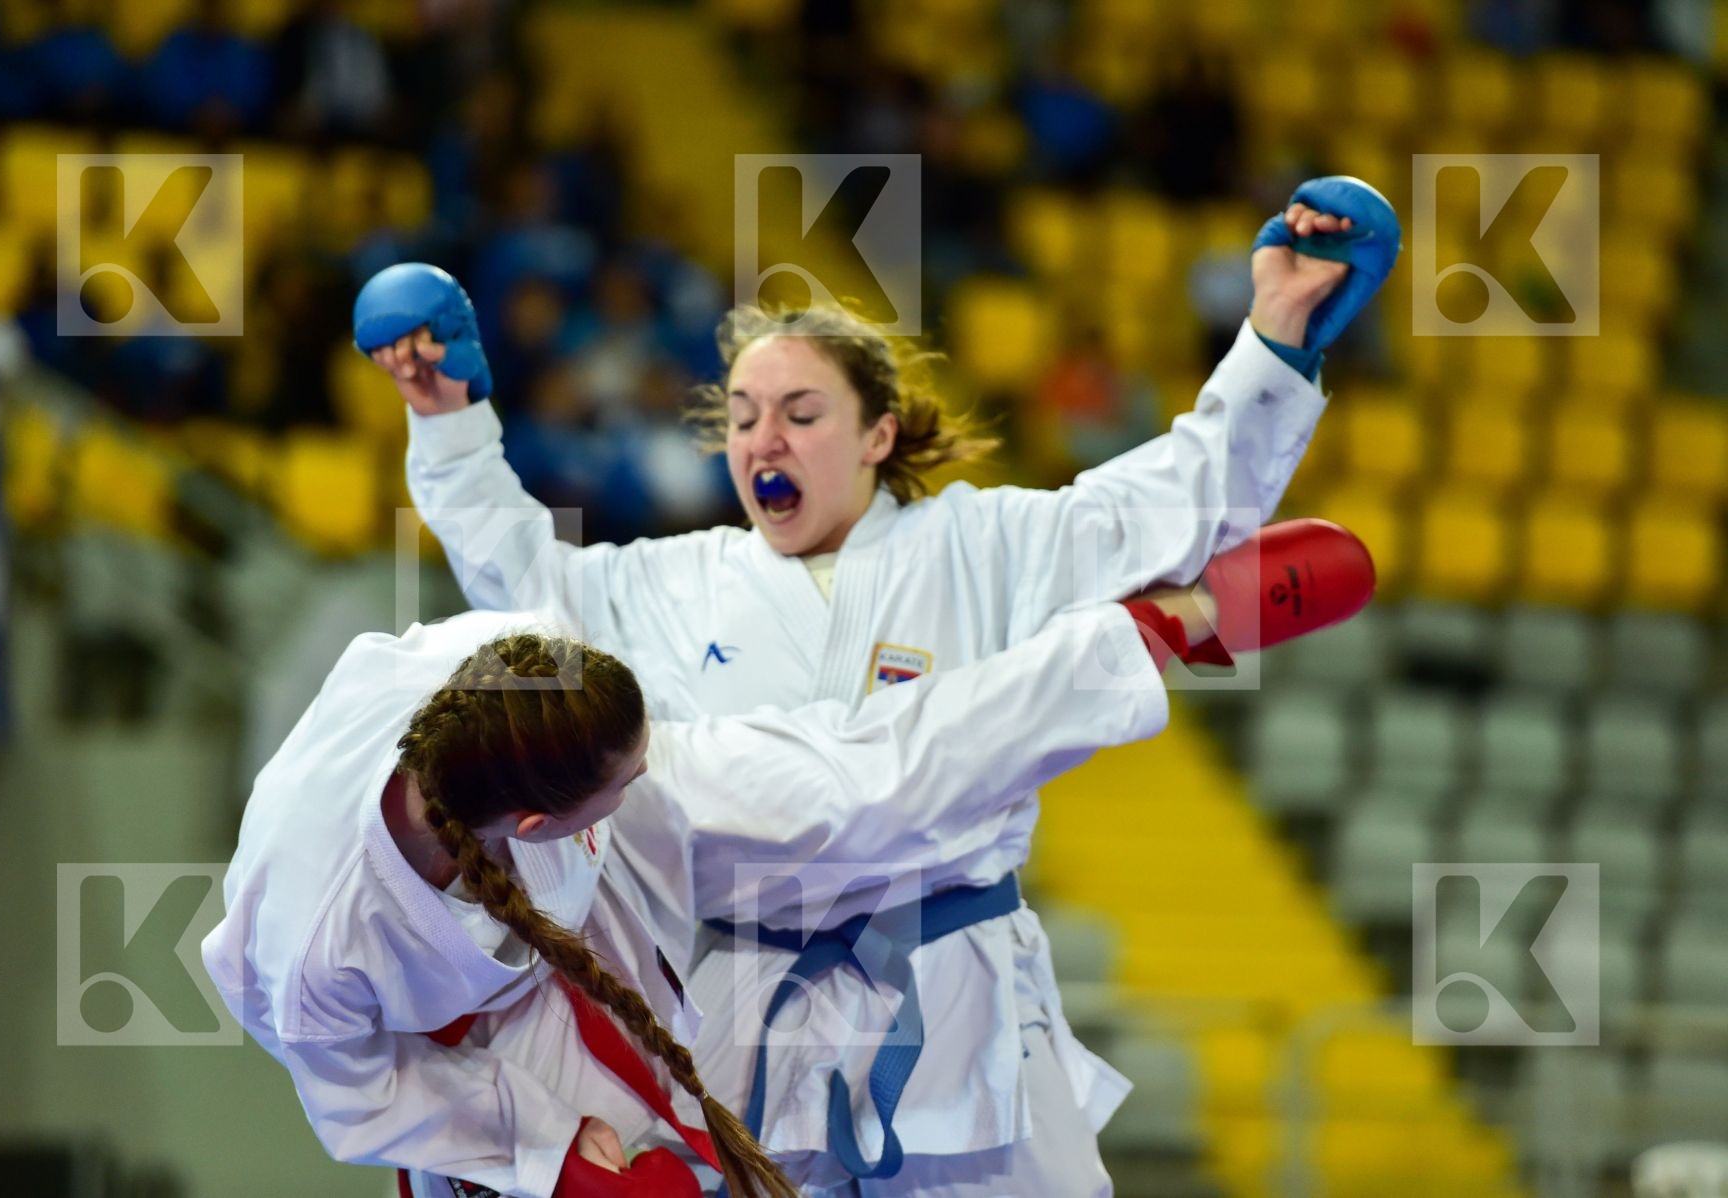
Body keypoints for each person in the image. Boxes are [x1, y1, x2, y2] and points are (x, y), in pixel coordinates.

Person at [356, 176, 1398, 1193]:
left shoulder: (987, 543)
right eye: (747, 416)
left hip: (955, 986)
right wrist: (449, 421)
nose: (765, 437)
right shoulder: (665, 580)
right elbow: (519, 579)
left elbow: (1188, 498)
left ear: (879, 434)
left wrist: (1278, 328)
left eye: (802, 412)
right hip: (738, 992)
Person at [201, 590, 1235, 1198]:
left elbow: (594, 716)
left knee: (848, 786)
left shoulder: (493, 682)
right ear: (532, 827)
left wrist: (624, 763)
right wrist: (555, 1158)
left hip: (574, 809)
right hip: (482, 1029)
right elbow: (365, 1094)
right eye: (628, 776)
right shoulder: (316, 942)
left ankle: (1138, 637)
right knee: (641, 1167)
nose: (652, 772)